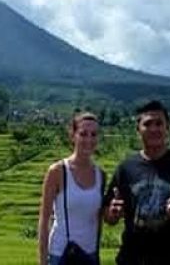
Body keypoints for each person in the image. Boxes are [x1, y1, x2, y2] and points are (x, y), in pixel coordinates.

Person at [103, 100, 170, 265]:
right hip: (131, 258)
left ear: (167, 127)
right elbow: (108, 214)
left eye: (159, 123)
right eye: (147, 124)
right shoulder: (126, 168)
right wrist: (113, 213)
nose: (154, 129)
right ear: (138, 129)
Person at [38, 112, 105, 265]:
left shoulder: (101, 175)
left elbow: (98, 220)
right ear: (73, 135)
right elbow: (44, 220)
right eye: (83, 134)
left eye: (93, 134)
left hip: (90, 255)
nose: (88, 139)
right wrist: (42, 260)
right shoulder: (58, 171)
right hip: (61, 254)